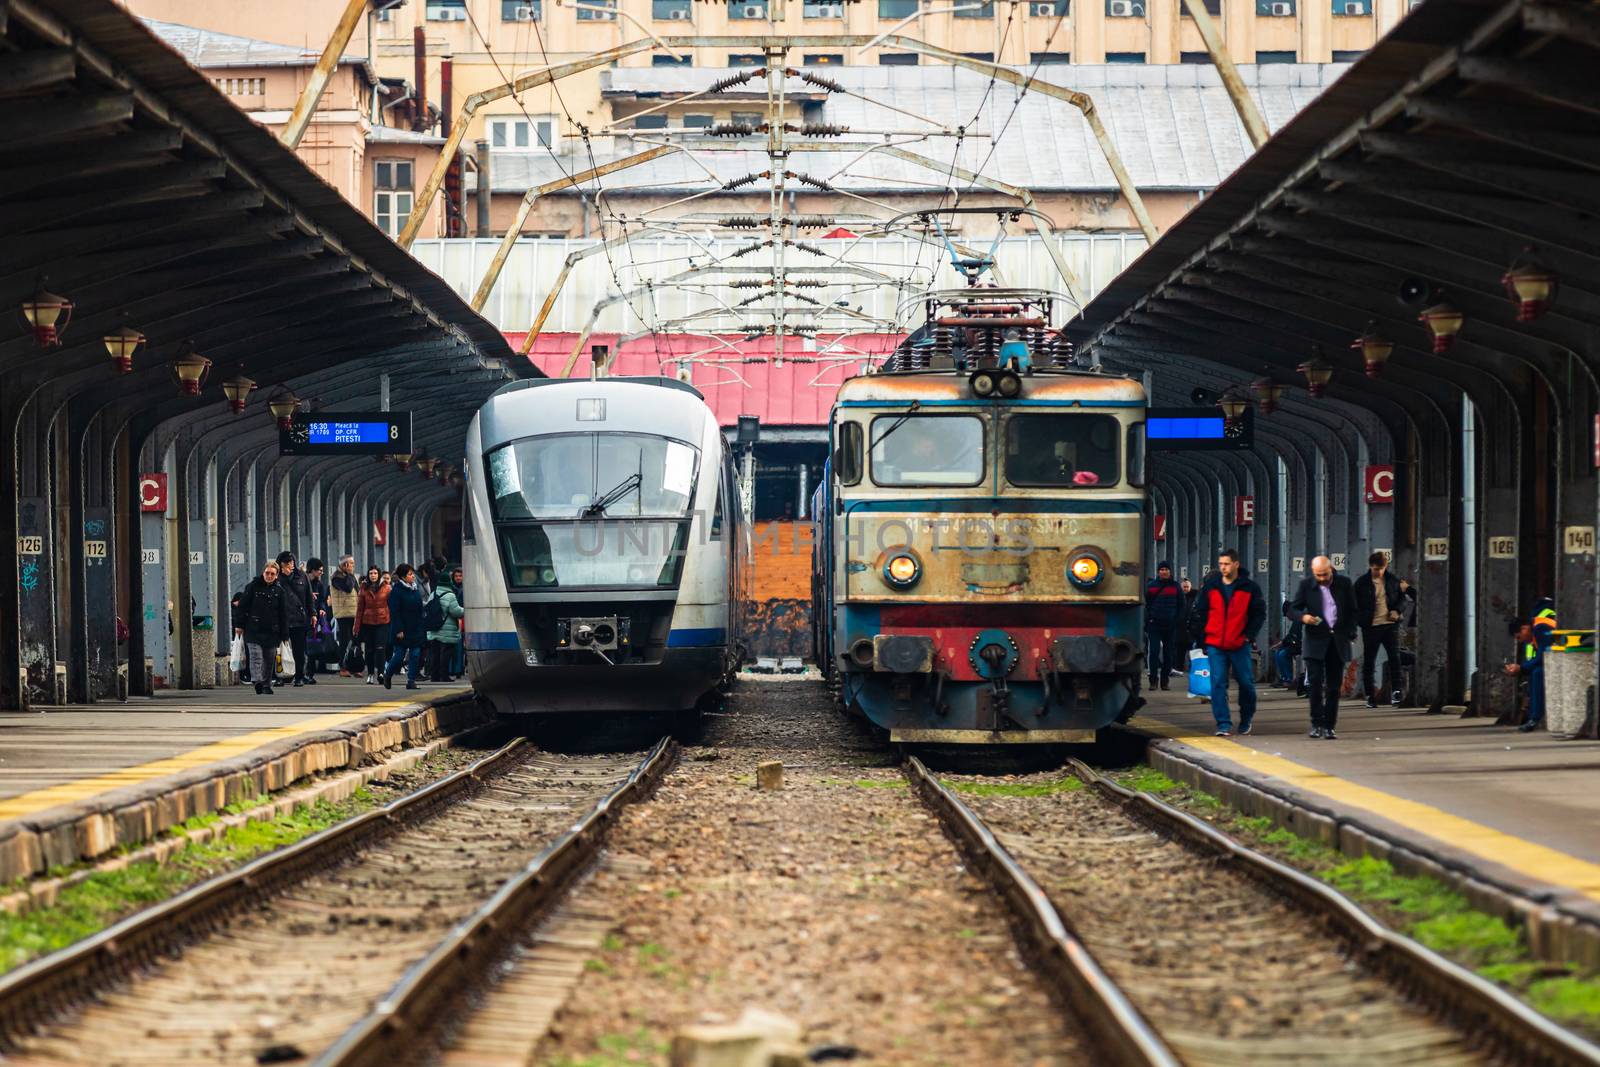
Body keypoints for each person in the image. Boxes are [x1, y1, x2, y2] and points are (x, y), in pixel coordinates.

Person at [1190, 549, 1266, 737]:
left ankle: (1246, 719)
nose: (1223, 567)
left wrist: (1248, 635)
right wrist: (1203, 638)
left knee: (1246, 683)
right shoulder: (1211, 587)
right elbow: (1200, 611)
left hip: (1239, 643)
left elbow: (1259, 614)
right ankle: (1223, 724)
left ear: (1236, 564)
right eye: (1221, 564)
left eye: (1226, 564)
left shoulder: (1250, 588)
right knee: (1217, 683)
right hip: (1216, 643)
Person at [1291, 555, 1358, 739]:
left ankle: (1329, 726)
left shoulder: (1344, 583)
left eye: (1325, 574)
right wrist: (1302, 617)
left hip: (1337, 641)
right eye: (1318, 575)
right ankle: (1316, 724)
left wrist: (1351, 632)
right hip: (1315, 641)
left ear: (1331, 570)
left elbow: (1353, 610)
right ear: (1313, 572)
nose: (1322, 578)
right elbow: (1292, 608)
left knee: (1333, 687)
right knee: (1314, 685)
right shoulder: (1306, 585)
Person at [1352, 551, 1416, 708]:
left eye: (1380, 569)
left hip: (1390, 625)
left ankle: (1397, 693)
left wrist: (1397, 611)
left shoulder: (1393, 580)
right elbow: (1353, 605)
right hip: (1370, 627)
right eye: (1375, 569)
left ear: (1385, 566)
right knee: (1369, 662)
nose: (1378, 572)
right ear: (1370, 567)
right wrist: (1361, 622)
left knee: (1395, 659)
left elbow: (1405, 598)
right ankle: (1370, 696)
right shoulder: (1361, 583)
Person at [235, 561, 289, 696]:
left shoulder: (279, 591)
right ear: (263, 573)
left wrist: (284, 633)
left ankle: (266, 684)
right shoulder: (253, 587)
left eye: (272, 574)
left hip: (272, 630)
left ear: (276, 576)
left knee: (269, 659)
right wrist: (239, 625)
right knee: (256, 656)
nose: (269, 576)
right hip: (254, 628)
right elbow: (242, 607)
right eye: (267, 573)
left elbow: (283, 614)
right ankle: (257, 680)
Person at [1506, 597, 1558, 733]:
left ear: (1524, 629)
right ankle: (1533, 716)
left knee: (1537, 673)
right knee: (1536, 672)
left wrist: (1521, 668)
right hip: (1559, 659)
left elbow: (1544, 656)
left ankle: (1535, 718)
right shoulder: (1537, 628)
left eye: (1519, 637)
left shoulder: (1540, 628)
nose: (1521, 641)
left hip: (1562, 660)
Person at [381, 563, 426, 691]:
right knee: (399, 656)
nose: (413, 577)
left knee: (415, 654)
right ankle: (387, 674)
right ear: (403, 577)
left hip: (415, 628)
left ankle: (411, 680)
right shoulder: (396, 591)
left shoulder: (415, 589)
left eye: (413, 574)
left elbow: (419, 608)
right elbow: (395, 612)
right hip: (401, 629)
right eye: (410, 574)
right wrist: (399, 629)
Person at [274, 551, 315, 687]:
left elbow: (309, 597)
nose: (290, 565)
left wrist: (313, 613)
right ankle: (280, 676)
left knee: (299, 650)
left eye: (292, 562)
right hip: (281, 619)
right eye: (287, 563)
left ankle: (299, 676)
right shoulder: (276, 577)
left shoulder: (301, 576)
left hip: (299, 619)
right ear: (280, 564)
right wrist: (282, 578)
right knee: (280, 650)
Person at [1144, 561, 1182, 691]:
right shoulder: (1151, 586)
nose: (1164, 571)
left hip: (1170, 626)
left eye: (1166, 569)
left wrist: (1176, 620)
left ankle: (1165, 681)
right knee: (1153, 652)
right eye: (1162, 569)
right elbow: (1146, 605)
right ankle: (1153, 680)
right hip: (1154, 625)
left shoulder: (1176, 587)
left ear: (1170, 571)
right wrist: (1148, 620)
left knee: (1168, 654)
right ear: (1158, 572)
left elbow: (1181, 605)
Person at [354, 565, 391, 684]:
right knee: (369, 650)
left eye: (375, 573)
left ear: (379, 575)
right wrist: (356, 626)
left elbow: (391, 606)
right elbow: (360, 609)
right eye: (371, 573)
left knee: (380, 648)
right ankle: (370, 673)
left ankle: (381, 672)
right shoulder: (363, 588)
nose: (373, 575)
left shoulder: (387, 588)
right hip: (367, 622)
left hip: (382, 622)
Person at [426, 578, 465, 681]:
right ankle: (444, 676)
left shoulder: (433, 594)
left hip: (434, 629)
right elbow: (456, 612)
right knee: (446, 654)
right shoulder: (450, 595)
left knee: (435, 654)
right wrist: (465, 610)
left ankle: (434, 676)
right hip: (447, 630)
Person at [329, 555, 360, 676]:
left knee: (355, 640)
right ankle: (343, 666)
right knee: (345, 640)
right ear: (345, 565)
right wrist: (350, 574)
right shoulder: (336, 577)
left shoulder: (349, 576)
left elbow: (357, 591)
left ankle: (354, 665)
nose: (353, 566)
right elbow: (347, 588)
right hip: (343, 613)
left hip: (354, 612)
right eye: (351, 563)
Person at [304, 557, 330, 679]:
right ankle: (301, 673)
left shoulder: (319, 584)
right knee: (302, 647)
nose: (321, 572)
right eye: (319, 570)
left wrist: (322, 608)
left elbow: (322, 600)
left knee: (312, 646)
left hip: (313, 619)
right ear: (312, 570)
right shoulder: (302, 582)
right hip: (301, 618)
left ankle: (310, 674)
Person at [448, 565, 467, 680]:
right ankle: (454, 669)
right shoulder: (453, 588)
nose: (458, 578)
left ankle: (458, 669)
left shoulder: (462, 589)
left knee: (459, 646)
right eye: (456, 576)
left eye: (460, 576)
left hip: (462, 618)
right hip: (454, 618)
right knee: (454, 645)